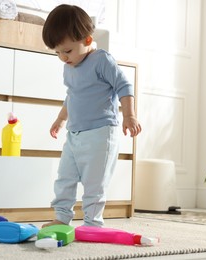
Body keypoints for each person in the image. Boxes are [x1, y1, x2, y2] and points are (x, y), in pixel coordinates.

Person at [42, 4, 142, 228]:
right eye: (57, 52)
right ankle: (61, 217)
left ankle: (92, 222)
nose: (62, 57)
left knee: (94, 183)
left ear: (87, 40)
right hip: (75, 134)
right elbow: (72, 95)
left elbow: (124, 86)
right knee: (64, 178)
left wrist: (129, 116)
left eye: (66, 51)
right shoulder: (69, 66)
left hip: (100, 133)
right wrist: (61, 119)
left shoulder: (101, 60)